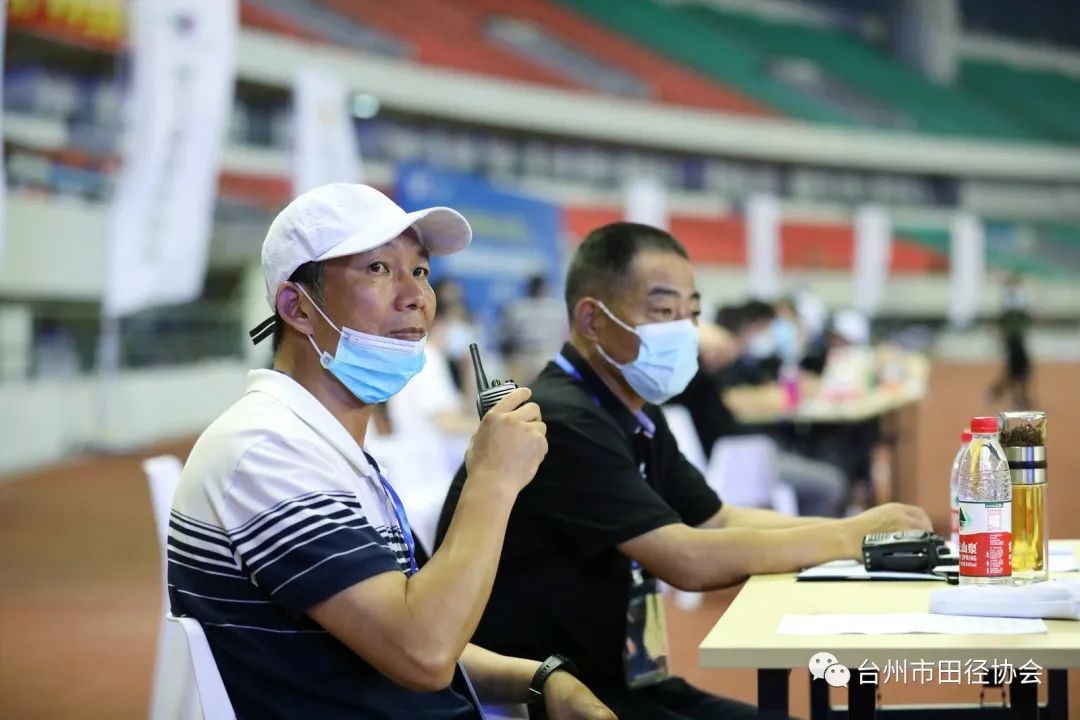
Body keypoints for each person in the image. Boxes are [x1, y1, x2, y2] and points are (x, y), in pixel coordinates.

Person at [436, 222, 931, 720]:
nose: (684, 328)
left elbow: (718, 519)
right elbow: (686, 558)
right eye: (662, 311)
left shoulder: (633, 409)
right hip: (553, 698)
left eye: (691, 312)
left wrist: (862, 533)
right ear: (592, 320)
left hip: (628, 680)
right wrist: (849, 537)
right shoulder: (562, 420)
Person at [168, 184, 614, 720]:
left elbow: (392, 626)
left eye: (420, 271)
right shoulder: (267, 452)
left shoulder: (322, 446)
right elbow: (422, 651)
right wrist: (493, 479)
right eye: (379, 269)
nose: (416, 296)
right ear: (296, 306)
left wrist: (538, 679)